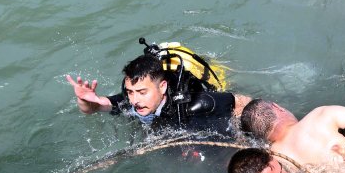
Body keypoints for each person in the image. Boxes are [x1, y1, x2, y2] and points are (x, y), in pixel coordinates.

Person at [67, 53, 250, 134]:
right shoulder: (132, 101)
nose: (135, 100)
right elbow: (97, 106)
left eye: (142, 92)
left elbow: (242, 102)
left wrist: (241, 136)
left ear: (162, 87)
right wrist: (85, 100)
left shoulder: (198, 103)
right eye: (130, 92)